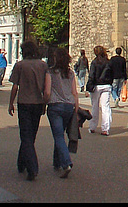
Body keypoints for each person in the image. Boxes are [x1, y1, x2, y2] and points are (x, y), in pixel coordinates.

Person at [8, 41, 48, 181]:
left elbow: (15, 86)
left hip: (24, 102)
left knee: (25, 135)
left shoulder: (20, 65)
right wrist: (45, 102)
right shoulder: (43, 65)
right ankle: (21, 162)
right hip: (38, 102)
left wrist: (10, 103)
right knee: (31, 135)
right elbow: (46, 87)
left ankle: (32, 167)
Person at [44, 47, 79, 178]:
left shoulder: (50, 72)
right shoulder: (70, 73)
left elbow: (47, 92)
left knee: (58, 135)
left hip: (55, 106)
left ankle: (66, 162)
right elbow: (74, 92)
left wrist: (44, 102)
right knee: (60, 134)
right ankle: (57, 162)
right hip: (69, 106)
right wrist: (76, 108)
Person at [87, 45, 113, 136]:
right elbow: (111, 74)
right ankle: (105, 128)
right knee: (105, 107)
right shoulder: (108, 62)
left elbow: (92, 75)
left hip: (96, 86)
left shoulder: (94, 62)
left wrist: (89, 86)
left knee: (95, 106)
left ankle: (92, 127)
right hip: (106, 85)